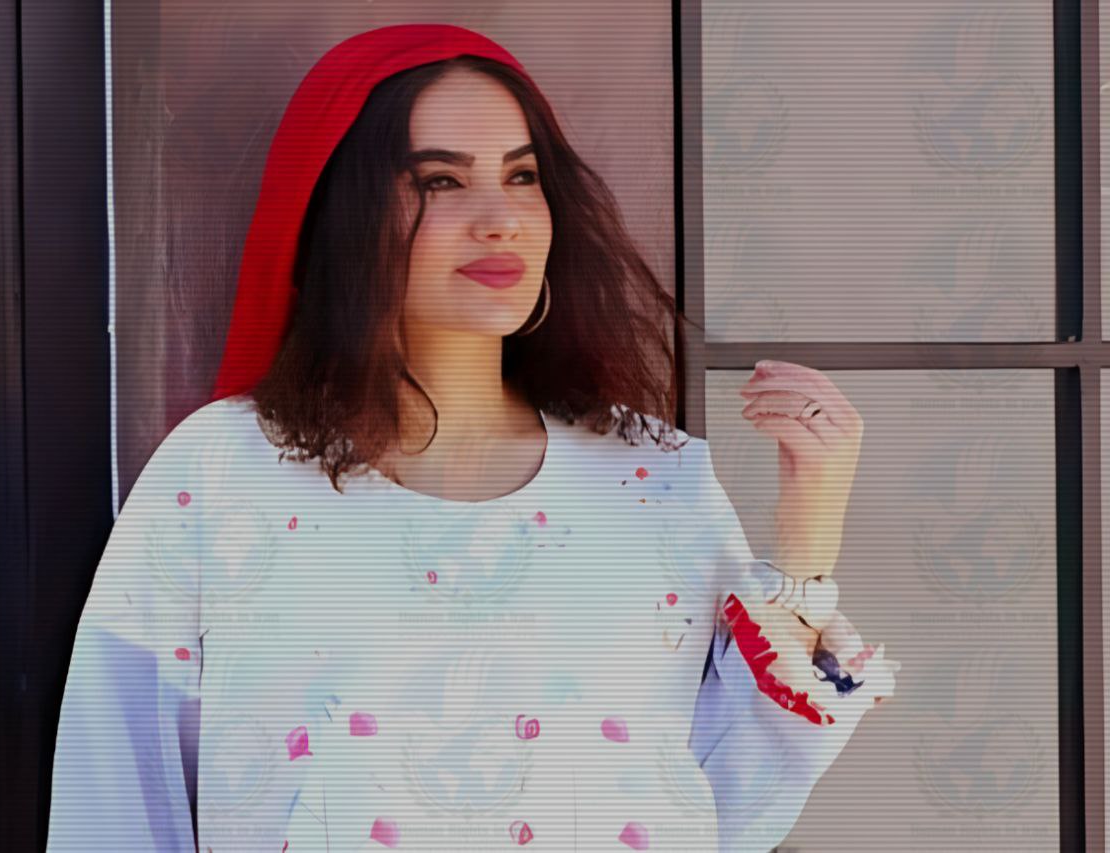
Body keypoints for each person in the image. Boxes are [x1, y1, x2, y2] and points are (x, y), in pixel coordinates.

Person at [45, 23, 899, 852]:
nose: (501, 219)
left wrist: (808, 534)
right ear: (347, 210)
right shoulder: (224, 472)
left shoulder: (655, 476)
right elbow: (113, 789)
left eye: (523, 176)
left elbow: (727, 801)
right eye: (441, 181)